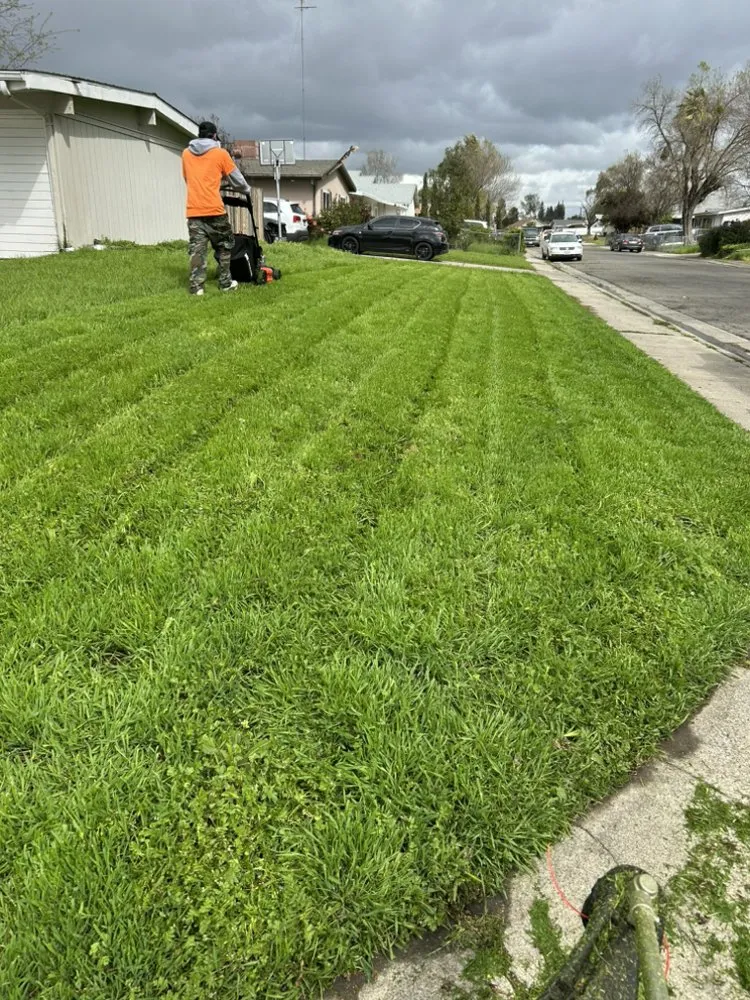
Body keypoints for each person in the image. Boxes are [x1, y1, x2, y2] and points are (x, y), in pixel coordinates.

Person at [181, 121, 253, 296]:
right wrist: (246, 190)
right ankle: (225, 282)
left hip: (194, 210)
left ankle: (197, 287)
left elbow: (187, 178)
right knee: (224, 246)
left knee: (197, 250)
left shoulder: (186, 154)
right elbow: (237, 179)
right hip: (215, 211)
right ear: (214, 136)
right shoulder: (220, 154)